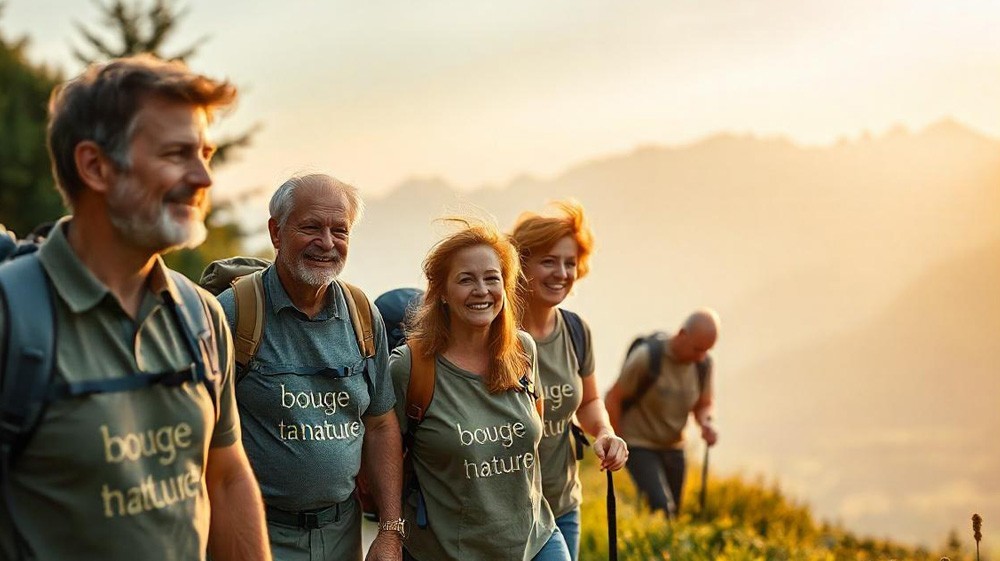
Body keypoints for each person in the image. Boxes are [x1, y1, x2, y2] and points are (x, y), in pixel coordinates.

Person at [0, 55, 270, 560]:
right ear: (95, 166)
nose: (204, 178)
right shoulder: (11, 315)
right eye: (177, 154)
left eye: (206, 153)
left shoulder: (203, 316)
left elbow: (227, 478)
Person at [215, 174, 404, 561]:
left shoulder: (363, 315)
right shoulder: (234, 314)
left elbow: (381, 424)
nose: (327, 242)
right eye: (311, 227)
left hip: (343, 534)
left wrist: (388, 531)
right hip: (256, 534)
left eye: (340, 230)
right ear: (276, 232)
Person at [389, 220, 570, 561]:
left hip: (535, 542)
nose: (482, 290)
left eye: (491, 278)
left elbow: (536, 430)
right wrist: (389, 532)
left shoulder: (523, 350)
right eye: (466, 279)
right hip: (446, 552)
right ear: (441, 291)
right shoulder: (411, 367)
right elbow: (381, 455)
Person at [509, 200, 628, 560]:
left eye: (570, 263)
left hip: (562, 506)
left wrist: (605, 433)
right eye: (549, 261)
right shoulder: (494, 335)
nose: (562, 272)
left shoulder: (576, 331)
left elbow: (590, 402)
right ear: (520, 262)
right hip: (504, 513)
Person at [605, 309, 720, 517]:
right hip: (640, 444)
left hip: (674, 447)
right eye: (697, 349)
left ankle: (656, 546)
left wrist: (706, 422)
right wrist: (618, 441)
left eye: (706, 350)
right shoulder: (648, 357)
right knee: (661, 507)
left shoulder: (703, 364)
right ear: (682, 334)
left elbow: (704, 403)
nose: (701, 356)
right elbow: (614, 397)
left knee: (674, 512)